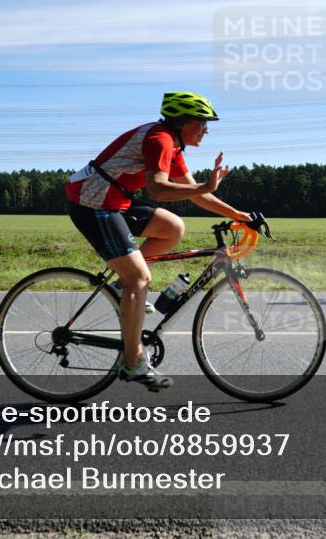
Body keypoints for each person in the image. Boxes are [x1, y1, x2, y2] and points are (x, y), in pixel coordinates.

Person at [65, 92, 251, 391]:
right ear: (184, 122)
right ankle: (133, 362)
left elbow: (196, 192)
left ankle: (119, 286)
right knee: (139, 278)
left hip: (116, 201)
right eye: (203, 123)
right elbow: (157, 189)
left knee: (173, 228)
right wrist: (204, 185)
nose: (206, 130)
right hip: (93, 202)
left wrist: (239, 214)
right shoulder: (160, 139)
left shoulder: (174, 146)